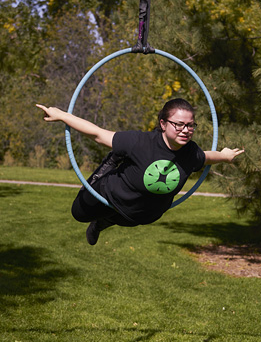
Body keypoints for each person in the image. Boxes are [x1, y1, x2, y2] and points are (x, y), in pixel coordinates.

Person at [36, 99, 244, 245]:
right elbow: (98, 134)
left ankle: (103, 222)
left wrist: (224, 156)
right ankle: (113, 160)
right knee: (78, 214)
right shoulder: (139, 142)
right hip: (111, 192)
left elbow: (206, 157)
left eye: (190, 125)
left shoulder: (191, 153)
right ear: (163, 124)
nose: (185, 130)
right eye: (179, 124)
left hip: (143, 213)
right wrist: (62, 115)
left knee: (134, 217)